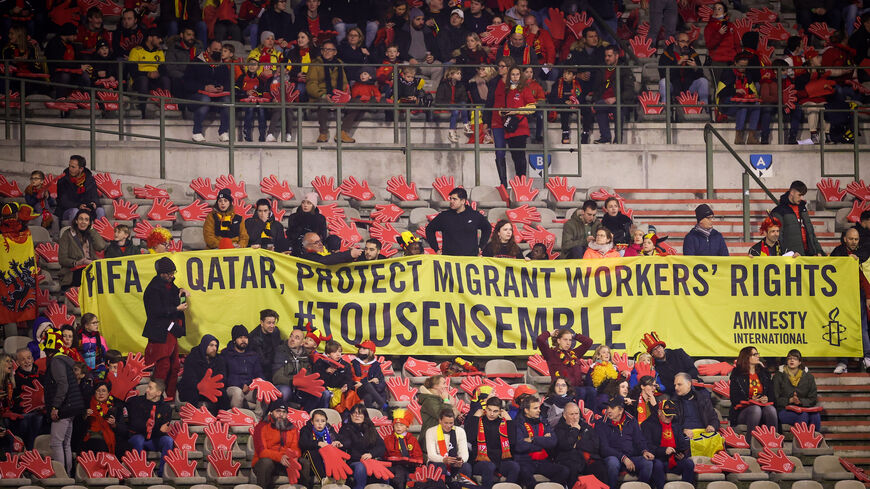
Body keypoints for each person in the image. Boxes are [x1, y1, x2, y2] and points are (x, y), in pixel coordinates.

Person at [142, 256, 188, 401]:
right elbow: (156, 311)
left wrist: (180, 291)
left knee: (174, 365)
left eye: (173, 273)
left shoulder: (168, 284)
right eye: (169, 273)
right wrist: (177, 308)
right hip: (160, 331)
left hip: (170, 331)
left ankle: (169, 396)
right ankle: (157, 396)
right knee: (164, 365)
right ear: (161, 273)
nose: (172, 276)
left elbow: (173, 293)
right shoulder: (153, 289)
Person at [597, 395, 658, 489]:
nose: (608, 410)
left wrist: (644, 451)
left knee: (647, 463)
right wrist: (623, 458)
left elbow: (639, 440)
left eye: (612, 408)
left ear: (621, 410)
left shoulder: (632, 420)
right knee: (612, 463)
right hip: (614, 458)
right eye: (608, 407)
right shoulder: (601, 423)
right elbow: (604, 448)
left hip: (631, 457)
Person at [307, 39, 360, 143]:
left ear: (335, 52)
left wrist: (344, 95)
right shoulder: (315, 63)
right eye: (325, 49)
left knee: (358, 103)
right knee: (322, 102)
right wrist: (322, 95)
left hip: (338, 96)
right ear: (321, 51)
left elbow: (345, 83)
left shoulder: (339, 63)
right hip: (322, 96)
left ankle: (342, 133)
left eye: (330, 50)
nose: (327, 52)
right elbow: (311, 84)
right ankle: (323, 133)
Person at [491, 65, 536, 187]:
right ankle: (519, 183)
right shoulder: (506, 90)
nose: (515, 77)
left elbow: (532, 107)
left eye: (517, 74)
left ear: (520, 76)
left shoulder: (524, 89)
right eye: (513, 74)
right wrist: (503, 112)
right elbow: (501, 107)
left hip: (520, 127)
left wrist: (516, 111)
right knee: (514, 156)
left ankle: (522, 183)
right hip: (509, 128)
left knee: (520, 156)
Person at [463, 396, 519, 489]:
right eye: (489, 410)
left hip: (499, 461)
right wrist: (475, 417)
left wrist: (509, 420)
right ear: (485, 409)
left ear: (501, 411)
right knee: (489, 466)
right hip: (480, 461)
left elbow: (512, 442)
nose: (491, 414)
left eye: (495, 411)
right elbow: (470, 437)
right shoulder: (478, 420)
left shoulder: (504, 422)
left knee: (514, 466)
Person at [514, 395, 569, 487]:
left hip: (543, 461)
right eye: (535, 408)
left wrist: (533, 439)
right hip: (525, 461)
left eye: (539, 407)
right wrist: (543, 441)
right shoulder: (518, 424)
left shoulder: (544, 422)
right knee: (524, 473)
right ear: (526, 410)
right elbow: (520, 446)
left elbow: (553, 442)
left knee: (564, 471)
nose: (539, 410)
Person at [186, 40, 232, 142]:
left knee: (227, 100)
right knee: (205, 100)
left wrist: (222, 88)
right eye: (215, 49)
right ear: (208, 50)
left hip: (216, 96)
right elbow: (187, 83)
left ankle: (223, 132)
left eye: (220, 50)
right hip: (196, 96)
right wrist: (204, 87)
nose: (218, 52)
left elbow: (228, 83)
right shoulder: (196, 62)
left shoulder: (223, 66)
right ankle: (197, 132)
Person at [641, 400, 694, 487]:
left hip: (674, 459)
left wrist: (683, 454)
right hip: (658, 459)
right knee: (657, 465)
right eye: (667, 415)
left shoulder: (675, 425)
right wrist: (664, 450)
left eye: (671, 415)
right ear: (659, 412)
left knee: (689, 463)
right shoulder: (647, 424)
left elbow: (683, 444)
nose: (669, 417)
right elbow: (647, 446)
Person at [125, 380, 173, 474]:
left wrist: (160, 431)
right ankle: (138, 471)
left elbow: (162, 429)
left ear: (159, 393)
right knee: (139, 439)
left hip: (153, 440)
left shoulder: (166, 408)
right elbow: (135, 425)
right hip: (136, 438)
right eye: (147, 387)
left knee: (168, 440)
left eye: (150, 388)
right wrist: (156, 428)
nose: (146, 390)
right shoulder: (137, 402)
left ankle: (162, 474)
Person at [536, 328, 595, 405]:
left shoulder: (574, 353)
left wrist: (574, 336)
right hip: (563, 388)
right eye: (565, 340)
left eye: (570, 340)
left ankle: (589, 414)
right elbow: (540, 339)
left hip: (578, 387)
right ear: (558, 340)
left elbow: (588, 342)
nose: (568, 343)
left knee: (592, 391)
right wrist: (550, 333)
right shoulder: (551, 354)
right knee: (581, 391)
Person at [425, 187, 491, 256]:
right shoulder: (444, 216)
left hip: (470, 259)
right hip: (449, 260)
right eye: (450, 198)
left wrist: (481, 247)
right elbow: (429, 229)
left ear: (463, 201)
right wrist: (436, 249)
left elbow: (487, 228)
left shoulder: (474, 215)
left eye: (455, 199)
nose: (451, 201)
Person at [251, 401, 301, 489]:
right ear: (271, 412)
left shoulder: (292, 427)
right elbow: (262, 452)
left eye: (284, 412)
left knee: (304, 463)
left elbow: (296, 448)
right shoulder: (261, 426)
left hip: (286, 462)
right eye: (278, 411)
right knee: (266, 463)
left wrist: (294, 456)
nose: (281, 414)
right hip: (266, 462)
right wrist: (280, 457)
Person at [729, 346, 777, 436]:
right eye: (755, 354)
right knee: (756, 409)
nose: (758, 356)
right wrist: (750, 400)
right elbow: (734, 398)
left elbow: (771, 393)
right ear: (747, 357)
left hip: (762, 408)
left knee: (771, 409)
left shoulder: (763, 373)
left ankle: (773, 441)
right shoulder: (737, 373)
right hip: (743, 411)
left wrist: (766, 398)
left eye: (757, 354)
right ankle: (751, 442)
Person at [592, 46, 635, 144]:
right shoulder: (601, 69)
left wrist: (616, 98)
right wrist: (593, 101)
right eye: (606, 56)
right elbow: (597, 89)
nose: (607, 58)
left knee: (618, 108)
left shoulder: (625, 70)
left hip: (620, 101)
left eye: (609, 56)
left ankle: (618, 139)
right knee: (599, 105)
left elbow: (629, 91)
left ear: (616, 56)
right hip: (604, 101)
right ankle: (605, 138)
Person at [715, 52, 761, 144]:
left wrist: (753, 96)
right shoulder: (728, 73)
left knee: (757, 105)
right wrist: (735, 90)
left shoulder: (747, 74)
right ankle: (738, 136)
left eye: (745, 66)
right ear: (735, 63)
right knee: (742, 106)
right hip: (727, 105)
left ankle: (752, 136)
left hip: (742, 102)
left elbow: (753, 91)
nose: (743, 68)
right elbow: (721, 93)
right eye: (741, 66)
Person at [339, 404, 388, 489]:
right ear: (350, 415)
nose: (357, 415)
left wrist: (371, 454)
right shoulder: (345, 429)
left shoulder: (371, 429)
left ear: (364, 416)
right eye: (354, 413)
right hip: (355, 461)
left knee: (383, 469)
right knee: (360, 467)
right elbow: (347, 444)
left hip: (371, 460)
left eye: (360, 413)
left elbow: (381, 446)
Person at [272, 328, 323, 409]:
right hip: (284, 386)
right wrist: (293, 381)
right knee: (285, 391)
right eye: (291, 336)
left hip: (299, 389)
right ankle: (279, 415)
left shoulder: (305, 356)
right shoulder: (281, 351)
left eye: (297, 338)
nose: (292, 339)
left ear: (302, 342)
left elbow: (307, 375)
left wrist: (305, 382)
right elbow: (276, 377)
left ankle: (306, 416)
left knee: (318, 393)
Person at [770, 180, 824, 256]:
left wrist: (818, 251)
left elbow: (811, 232)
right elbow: (778, 237)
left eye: (803, 195)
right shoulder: (778, 211)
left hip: (809, 255)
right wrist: (788, 254)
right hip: (792, 257)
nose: (802, 198)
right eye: (799, 195)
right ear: (792, 192)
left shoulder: (803, 209)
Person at [773, 349, 821, 431]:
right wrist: (790, 400)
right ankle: (802, 442)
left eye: (795, 358)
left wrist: (800, 401)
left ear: (799, 362)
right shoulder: (778, 376)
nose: (792, 360)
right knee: (803, 416)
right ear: (786, 361)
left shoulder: (809, 377)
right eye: (789, 358)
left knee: (815, 416)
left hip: (803, 408)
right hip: (784, 410)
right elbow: (774, 398)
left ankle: (814, 442)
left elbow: (813, 399)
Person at [58, 209, 106, 289]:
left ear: (89, 223)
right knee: (85, 273)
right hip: (72, 272)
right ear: (76, 221)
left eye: (86, 220)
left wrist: (92, 229)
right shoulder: (67, 234)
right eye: (81, 219)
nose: (83, 222)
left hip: (90, 268)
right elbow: (62, 259)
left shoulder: (91, 233)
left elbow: (100, 246)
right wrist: (78, 263)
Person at [128, 29, 171, 118]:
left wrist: (158, 73)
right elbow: (133, 72)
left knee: (166, 79)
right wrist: (147, 74)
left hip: (154, 79)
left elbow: (164, 70)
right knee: (144, 80)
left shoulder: (159, 52)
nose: (160, 40)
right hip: (139, 80)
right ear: (150, 38)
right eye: (158, 38)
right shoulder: (136, 51)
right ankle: (143, 112)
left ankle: (167, 108)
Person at [222, 324, 264, 414]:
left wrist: (253, 385)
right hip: (232, 388)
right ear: (234, 340)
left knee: (263, 391)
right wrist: (241, 385)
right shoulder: (226, 354)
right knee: (238, 392)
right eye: (240, 337)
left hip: (249, 388)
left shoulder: (253, 355)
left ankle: (257, 419)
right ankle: (237, 419)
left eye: (246, 337)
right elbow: (224, 376)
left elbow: (259, 374)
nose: (243, 340)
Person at [178, 334, 226, 411]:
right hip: (194, 388)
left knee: (222, 394)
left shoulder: (219, 359)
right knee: (191, 393)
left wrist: (210, 386)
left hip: (211, 388)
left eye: (216, 346)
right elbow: (188, 378)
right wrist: (201, 386)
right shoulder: (192, 357)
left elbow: (222, 377)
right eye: (211, 345)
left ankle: (222, 418)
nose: (214, 348)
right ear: (204, 345)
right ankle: (194, 417)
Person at [643, 332, 699, 396]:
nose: (658, 350)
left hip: (694, 384)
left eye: (659, 347)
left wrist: (688, 380)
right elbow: (667, 386)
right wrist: (682, 385)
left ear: (662, 347)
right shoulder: (656, 368)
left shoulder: (678, 353)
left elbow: (693, 369)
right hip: (677, 392)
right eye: (654, 350)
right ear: (652, 354)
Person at [658, 31, 708, 104]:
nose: (685, 44)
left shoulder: (693, 54)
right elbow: (663, 74)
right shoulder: (667, 54)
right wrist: (677, 64)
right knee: (663, 82)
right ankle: (665, 109)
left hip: (689, 87)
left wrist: (695, 67)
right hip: (673, 86)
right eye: (683, 41)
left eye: (687, 42)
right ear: (676, 42)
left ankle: (704, 108)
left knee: (703, 81)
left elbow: (700, 74)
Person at [425, 408, 472, 479]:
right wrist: (444, 460)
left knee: (466, 467)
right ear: (440, 421)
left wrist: (460, 461)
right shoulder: (430, 431)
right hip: (437, 462)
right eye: (446, 423)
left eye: (451, 423)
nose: (449, 426)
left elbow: (464, 453)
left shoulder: (460, 431)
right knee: (441, 467)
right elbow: (431, 455)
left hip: (454, 462)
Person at [298, 409, 342, 483]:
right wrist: (318, 443)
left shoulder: (329, 429)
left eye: (323, 421)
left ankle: (339, 476)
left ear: (326, 422)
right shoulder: (306, 429)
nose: (320, 424)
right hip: (309, 459)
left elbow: (338, 439)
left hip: (325, 458)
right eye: (317, 421)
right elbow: (303, 443)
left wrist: (337, 443)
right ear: (312, 422)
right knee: (313, 452)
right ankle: (324, 479)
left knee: (336, 451)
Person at [383, 408, 423, 489]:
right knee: (400, 472)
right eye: (396, 425)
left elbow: (418, 455)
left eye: (401, 425)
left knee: (411, 475)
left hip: (410, 466)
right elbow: (385, 455)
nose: (398, 427)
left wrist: (415, 462)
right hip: (394, 466)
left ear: (407, 427)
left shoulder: (412, 439)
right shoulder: (388, 439)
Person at [13, 348, 44, 450]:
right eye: (23, 359)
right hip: (23, 413)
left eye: (29, 358)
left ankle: (34, 450)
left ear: (33, 359)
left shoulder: (41, 375)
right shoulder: (14, 378)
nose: (27, 361)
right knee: (25, 421)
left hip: (40, 412)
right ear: (17, 362)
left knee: (39, 420)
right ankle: (28, 450)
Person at [56, 155, 102, 223]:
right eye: (69, 166)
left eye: (73, 167)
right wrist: (78, 206)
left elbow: (95, 196)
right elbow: (63, 201)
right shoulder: (63, 181)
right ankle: (74, 232)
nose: (70, 169)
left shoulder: (90, 180)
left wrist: (94, 203)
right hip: (68, 209)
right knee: (75, 211)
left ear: (81, 169)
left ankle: (97, 233)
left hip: (86, 208)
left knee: (100, 210)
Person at [672, 372, 719, 437]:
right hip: (685, 437)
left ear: (688, 384)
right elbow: (672, 424)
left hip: (704, 434)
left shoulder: (703, 399)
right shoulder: (673, 402)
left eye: (679, 384)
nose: (676, 388)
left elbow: (714, 418)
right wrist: (682, 430)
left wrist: (712, 426)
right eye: (675, 385)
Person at [81, 380, 120, 453]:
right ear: (94, 392)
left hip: (108, 435)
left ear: (108, 393)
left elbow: (122, 429)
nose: (101, 393)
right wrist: (85, 416)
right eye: (98, 391)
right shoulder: (88, 405)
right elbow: (80, 425)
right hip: (91, 434)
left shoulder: (114, 406)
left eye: (103, 391)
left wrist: (114, 424)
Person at [435, 66, 469, 143]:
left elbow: (464, 98)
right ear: (451, 75)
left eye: (460, 73)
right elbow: (438, 100)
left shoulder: (461, 85)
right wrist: (451, 105)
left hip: (456, 105)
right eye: (457, 73)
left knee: (463, 104)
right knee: (456, 111)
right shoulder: (443, 85)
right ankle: (451, 131)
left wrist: (458, 104)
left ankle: (466, 124)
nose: (460, 75)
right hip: (445, 104)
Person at [351, 341, 387, 410]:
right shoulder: (354, 363)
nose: (361, 350)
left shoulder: (376, 365)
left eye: (364, 348)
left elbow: (380, 383)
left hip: (372, 391)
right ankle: (384, 406)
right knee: (367, 385)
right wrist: (370, 381)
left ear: (370, 351)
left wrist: (365, 383)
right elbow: (353, 379)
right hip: (357, 390)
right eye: (360, 348)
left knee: (368, 396)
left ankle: (370, 416)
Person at [418, 374, 453, 444]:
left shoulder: (440, 399)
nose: (446, 386)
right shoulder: (429, 400)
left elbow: (450, 419)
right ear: (435, 386)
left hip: (442, 437)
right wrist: (446, 400)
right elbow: (443, 415)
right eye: (444, 383)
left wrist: (458, 418)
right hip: (431, 440)